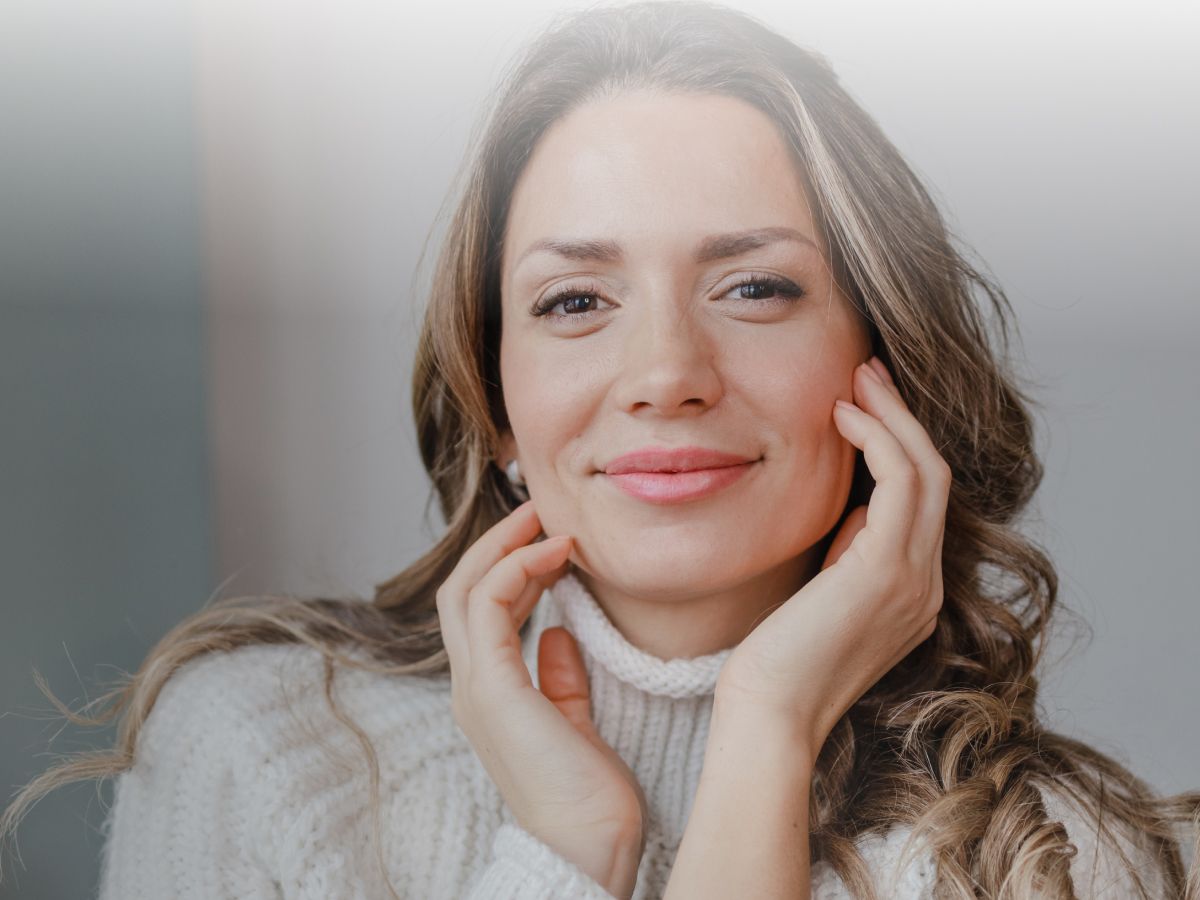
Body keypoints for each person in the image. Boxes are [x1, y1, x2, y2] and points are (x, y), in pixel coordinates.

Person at [3, 1, 1197, 897]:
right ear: (499, 404)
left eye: (756, 286)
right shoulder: (263, 755)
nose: (667, 374)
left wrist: (765, 734)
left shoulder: (1054, 856)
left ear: (885, 363)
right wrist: (568, 850)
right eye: (575, 302)